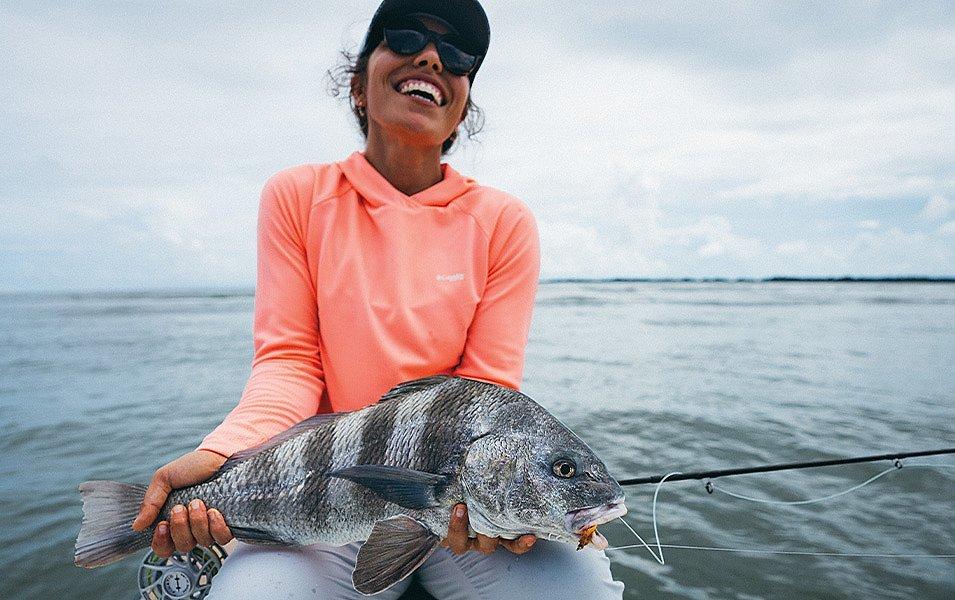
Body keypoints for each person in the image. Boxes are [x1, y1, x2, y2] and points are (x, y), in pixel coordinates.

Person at [132, 0, 624, 597]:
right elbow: (288, 363)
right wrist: (224, 453)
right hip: (322, 493)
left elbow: (488, 386)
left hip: (456, 516)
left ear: (463, 107)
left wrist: (517, 508)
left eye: (459, 56)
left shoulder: (503, 220)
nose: (432, 57)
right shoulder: (298, 195)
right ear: (358, 82)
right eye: (406, 35)